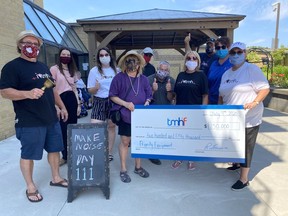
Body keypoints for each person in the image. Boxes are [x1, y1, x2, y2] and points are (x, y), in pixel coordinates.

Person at [0, 30, 69, 202]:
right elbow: (5, 92)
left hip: (51, 118)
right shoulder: (12, 67)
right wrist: (27, 94)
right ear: (19, 46)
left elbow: (52, 90)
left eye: (35, 44)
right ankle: (30, 186)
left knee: (54, 150)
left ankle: (56, 178)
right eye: (27, 43)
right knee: (28, 154)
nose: (31, 46)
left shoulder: (43, 67)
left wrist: (61, 106)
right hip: (29, 120)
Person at [218, 42, 270, 190]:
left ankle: (244, 178)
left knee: (246, 146)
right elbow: (222, 95)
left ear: (245, 53)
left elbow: (264, 88)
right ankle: (236, 164)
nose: (235, 55)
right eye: (233, 52)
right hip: (231, 118)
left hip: (249, 118)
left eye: (239, 52)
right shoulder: (226, 73)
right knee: (234, 143)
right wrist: (219, 110)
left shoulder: (251, 70)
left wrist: (255, 102)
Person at [109, 50, 153, 183]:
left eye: (135, 60)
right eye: (129, 60)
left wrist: (147, 101)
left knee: (138, 142)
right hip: (125, 115)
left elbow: (149, 95)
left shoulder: (144, 79)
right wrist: (126, 104)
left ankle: (138, 167)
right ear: (125, 63)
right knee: (125, 142)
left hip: (140, 117)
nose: (132, 63)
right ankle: (123, 169)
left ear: (139, 64)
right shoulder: (119, 78)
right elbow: (112, 96)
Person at [172, 50, 209, 170]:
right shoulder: (180, 75)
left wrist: (203, 112)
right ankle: (179, 157)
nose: (191, 60)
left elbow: (205, 95)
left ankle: (191, 158)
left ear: (198, 61)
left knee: (193, 136)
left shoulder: (201, 75)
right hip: (180, 112)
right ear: (185, 60)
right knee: (181, 136)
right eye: (189, 58)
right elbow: (176, 94)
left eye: (194, 58)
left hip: (195, 112)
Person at [50, 48, 81, 166]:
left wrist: (78, 104)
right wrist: (56, 106)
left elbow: (74, 88)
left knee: (72, 128)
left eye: (68, 55)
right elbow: (51, 88)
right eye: (63, 54)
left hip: (72, 100)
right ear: (59, 55)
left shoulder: (72, 70)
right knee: (62, 130)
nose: (65, 56)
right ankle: (65, 156)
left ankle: (73, 153)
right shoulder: (54, 69)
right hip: (60, 100)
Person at [87, 47, 118, 162]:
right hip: (99, 100)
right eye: (101, 55)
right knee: (96, 127)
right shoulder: (94, 71)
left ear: (110, 56)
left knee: (111, 126)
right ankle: (98, 151)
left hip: (113, 101)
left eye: (106, 54)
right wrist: (95, 88)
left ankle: (109, 152)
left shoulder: (116, 71)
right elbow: (90, 90)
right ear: (99, 58)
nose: (104, 57)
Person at [147, 60, 176, 165]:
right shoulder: (149, 79)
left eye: (165, 70)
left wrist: (169, 91)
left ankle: (164, 150)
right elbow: (145, 98)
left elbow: (171, 99)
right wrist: (153, 90)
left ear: (168, 71)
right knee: (153, 134)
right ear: (157, 69)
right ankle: (152, 155)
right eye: (161, 69)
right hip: (152, 112)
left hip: (166, 112)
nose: (162, 72)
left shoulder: (171, 80)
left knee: (164, 134)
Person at [207, 36, 232, 104]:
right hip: (212, 101)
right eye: (218, 48)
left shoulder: (233, 64)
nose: (220, 49)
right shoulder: (213, 64)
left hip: (227, 102)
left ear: (228, 47)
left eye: (223, 47)